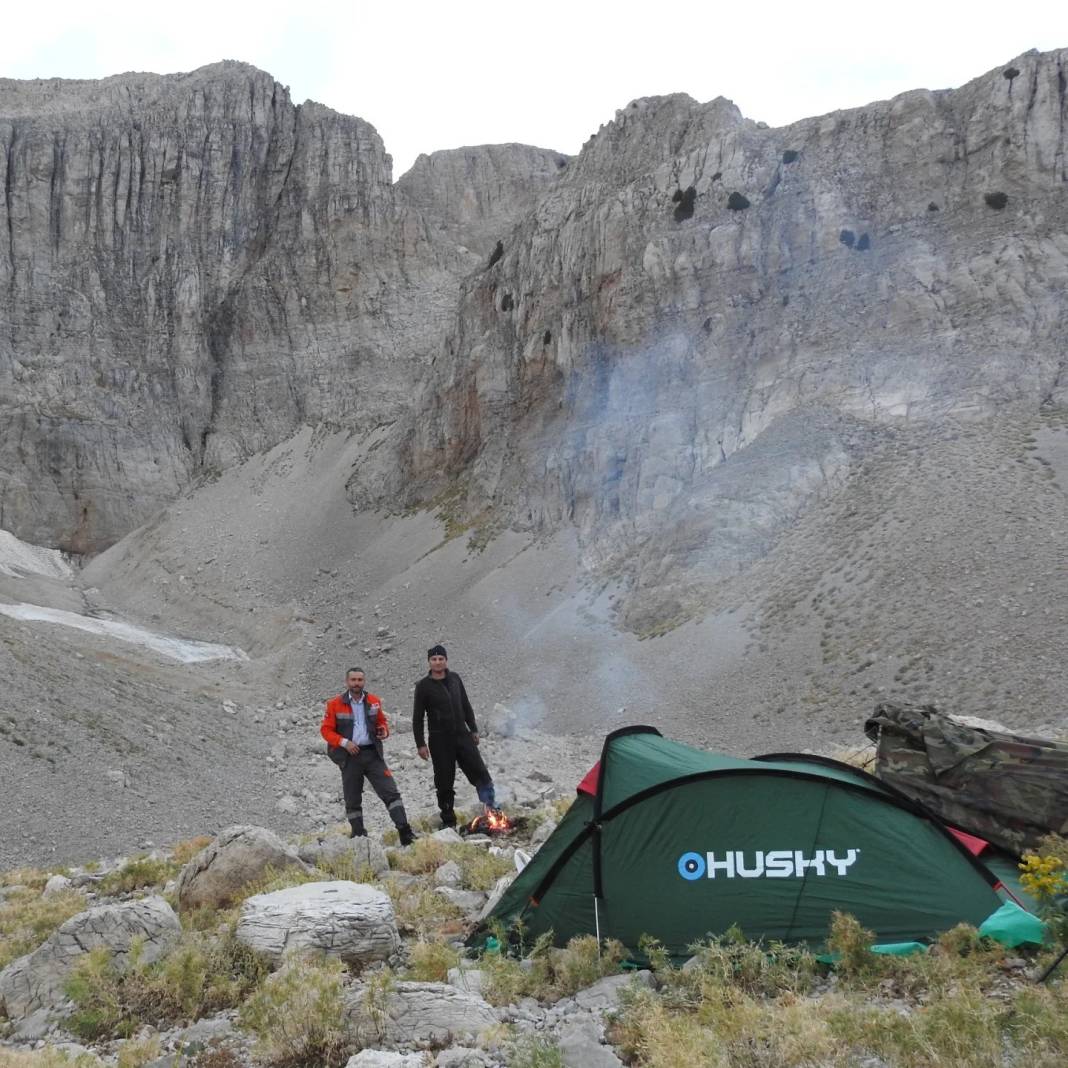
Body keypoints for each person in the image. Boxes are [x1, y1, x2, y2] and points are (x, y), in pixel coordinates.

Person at [321, 668, 417, 845]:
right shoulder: (334, 704)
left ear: (364, 681)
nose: (356, 683)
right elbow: (326, 730)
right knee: (352, 799)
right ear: (347, 682)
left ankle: (405, 832)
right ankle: (359, 837)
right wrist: (344, 743)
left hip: (372, 755)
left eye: (359, 680)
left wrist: (383, 731)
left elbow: (381, 722)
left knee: (391, 792)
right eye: (353, 680)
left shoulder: (374, 701)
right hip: (350, 757)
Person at [413, 644, 497, 828]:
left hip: (462, 735)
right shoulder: (423, 686)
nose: (437, 662)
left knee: (480, 772)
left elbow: (466, 705)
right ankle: (449, 821)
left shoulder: (455, 679)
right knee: (444, 781)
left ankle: (492, 810)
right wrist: (420, 744)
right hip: (439, 740)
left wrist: (473, 729)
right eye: (434, 659)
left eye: (441, 659)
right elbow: (417, 717)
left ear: (446, 660)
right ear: (429, 662)